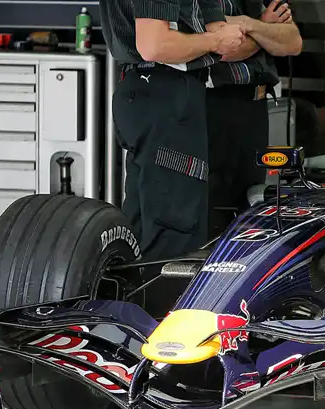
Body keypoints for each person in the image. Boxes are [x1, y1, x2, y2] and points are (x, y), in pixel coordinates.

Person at [100, 0, 246, 261]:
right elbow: (155, 45)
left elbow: (221, 32)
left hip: (158, 91)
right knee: (173, 233)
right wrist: (214, 41)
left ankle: (141, 298)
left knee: (147, 225)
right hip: (165, 92)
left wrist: (220, 35)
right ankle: (161, 301)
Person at [205, 0, 303, 239]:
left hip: (255, 107)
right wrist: (267, 30)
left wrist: (251, 24)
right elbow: (224, 49)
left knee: (252, 202)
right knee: (210, 203)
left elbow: (293, 42)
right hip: (212, 101)